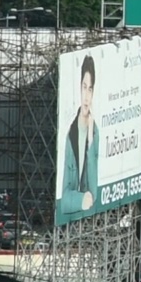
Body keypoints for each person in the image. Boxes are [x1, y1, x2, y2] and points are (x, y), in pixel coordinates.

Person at [57, 55, 100, 219]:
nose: (87, 96)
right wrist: (81, 198)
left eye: (90, 88)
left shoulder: (95, 133)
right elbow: (64, 199)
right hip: (71, 217)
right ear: (79, 88)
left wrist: (90, 145)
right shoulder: (68, 137)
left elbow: (94, 194)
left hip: (88, 217)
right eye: (84, 87)